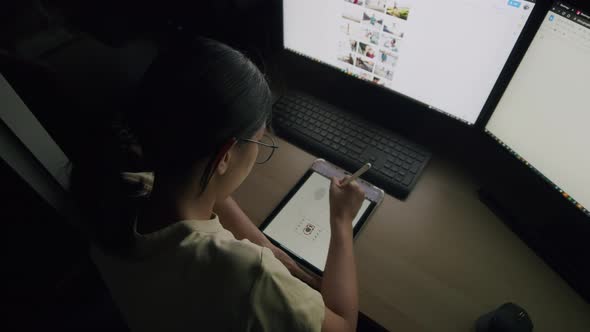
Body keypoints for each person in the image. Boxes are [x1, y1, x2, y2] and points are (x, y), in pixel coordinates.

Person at [70, 37, 366, 332]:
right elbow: (344, 325)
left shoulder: (115, 188)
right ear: (224, 156)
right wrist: (341, 220)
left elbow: (209, 190)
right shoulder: (249, 276)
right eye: (259, 140)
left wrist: (280, 258)